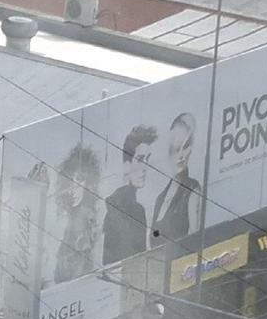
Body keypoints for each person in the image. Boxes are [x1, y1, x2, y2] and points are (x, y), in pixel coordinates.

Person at [102, 125, 157, 265]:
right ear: (126, 165)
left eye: (148, 159)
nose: (145, 168)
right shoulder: (121, 207)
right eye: (140, 159)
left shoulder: (131, 207)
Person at [149, 113, 202, 248]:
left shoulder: (192, 190)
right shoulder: (159, 199)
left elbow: (196, 240)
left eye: (185, 147)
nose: (180, 156)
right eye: (175, 149)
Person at [53, 143, 103, 284]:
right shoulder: (67, 216)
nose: (73, 188)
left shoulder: (89, 217)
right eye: (70, 180)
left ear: (89, 183)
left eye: (80, 180)